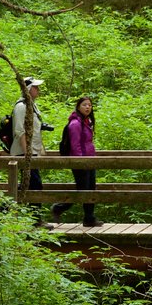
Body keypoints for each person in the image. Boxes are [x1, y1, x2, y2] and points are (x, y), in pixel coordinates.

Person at [10, 77, 53, 228]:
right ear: (28, 89)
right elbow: (20, 130)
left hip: (32, 151)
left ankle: (3, 209)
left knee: (27, 185)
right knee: (35, 185)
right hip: (24, 153)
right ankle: (35, 220)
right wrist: (27, 153)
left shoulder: (32, 106)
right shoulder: (21, 107)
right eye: (35, 87)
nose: (38, 90)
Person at [52, 97, 102, 226]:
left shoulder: (87, 121)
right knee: (82, 190)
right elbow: (75, 146)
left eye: (90, 105)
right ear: (78, 107)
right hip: (81, 162)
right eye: (84, 105)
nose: (87, 107)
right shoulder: (75, 124)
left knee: (90, 189)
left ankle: (89, 218)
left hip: (90, 160)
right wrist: (80, 161)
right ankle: (59, 207)